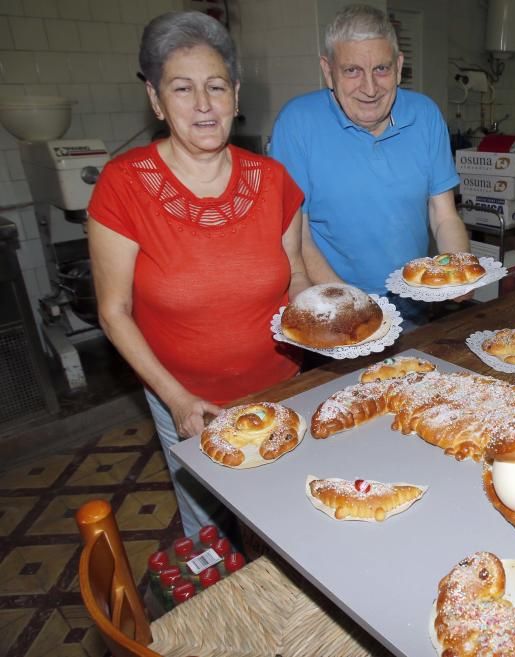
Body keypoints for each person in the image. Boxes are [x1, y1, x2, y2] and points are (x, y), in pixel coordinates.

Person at [88, 11, 309, 537]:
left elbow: (295, 273)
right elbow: (113, 312)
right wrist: (176, 398)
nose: (204, 105)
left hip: (283, 390)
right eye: (182, 89)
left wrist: (321, 322)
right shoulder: (123, 186)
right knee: (212, 529)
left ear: (235, 93)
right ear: (156, 101)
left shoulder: (274, 178)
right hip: (190, 403)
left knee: (289, 517)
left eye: (216, 87)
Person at [270, 3, 468, 327]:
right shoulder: (297, 123)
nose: (370, 88)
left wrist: (457, 272)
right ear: (328, 70)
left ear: (399, 66)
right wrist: (354, 307)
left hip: (413, 303)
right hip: (333, 303)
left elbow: (444, 215)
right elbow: (299, 237)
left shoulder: (426, 115)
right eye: (352, 71)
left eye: (381, 69)